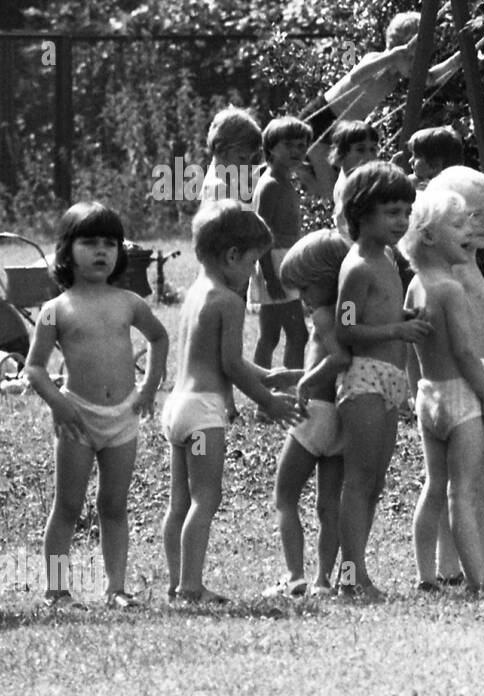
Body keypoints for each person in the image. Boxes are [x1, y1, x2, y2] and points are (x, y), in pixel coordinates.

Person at [25, 203, 169, 608]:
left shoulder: (129, 302)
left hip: (123, 416)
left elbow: (159, 338)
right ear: (67, 251)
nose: (101, 251)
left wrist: (148, 387)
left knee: (114, 505)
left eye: (110, 242)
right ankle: (56, 590)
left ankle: (116, 589)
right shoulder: (56, 310)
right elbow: (34, 369)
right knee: (68, 506)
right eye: (89, 242)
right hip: (77, 420)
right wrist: (59, 405)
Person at [162, 202, 301, 604]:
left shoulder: (194, 295)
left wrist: (270, 375)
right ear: (232, 256)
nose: (254, 272)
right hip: (204, 413)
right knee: (206, 498)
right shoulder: (229, 301)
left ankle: (176, 583)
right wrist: (268, 401)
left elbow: (226, 360)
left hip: (177, 408)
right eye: (254, 263)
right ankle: (191, 587)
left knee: (180, 502)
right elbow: (227, 366)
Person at [333, 162, 431, 599]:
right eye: (391, 211)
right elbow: (346, 329)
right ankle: (351, 577)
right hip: (365, 380)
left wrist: (400, 318)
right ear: (361, 211)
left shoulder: (388, 258)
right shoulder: (357, 267)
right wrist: (396, 330)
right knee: (358, 479)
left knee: (375, 482)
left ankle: (357, 573)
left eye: (406, 211)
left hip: (390, 380)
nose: (401, 221)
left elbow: (377, 315)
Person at [401, 188, 484, 592]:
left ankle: (425, 574)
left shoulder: (416, 285)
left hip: (428, 396)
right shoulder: (451, 289)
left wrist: (413, 392)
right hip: (460, 397)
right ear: (427, 236)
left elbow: (410, 344)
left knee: (432, 485)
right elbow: (463, 350)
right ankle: (478, 578)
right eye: (457, 225)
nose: (469, 231)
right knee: (463, 491)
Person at [263, 228, 352, 598]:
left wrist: (303, 383)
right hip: (339, 417)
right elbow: (335, 366)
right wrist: (294, 375)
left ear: (323, 280)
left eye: (304, 289)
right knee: (328, 504)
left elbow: (337, 359)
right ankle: (324, 579)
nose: (301, 300)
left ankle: (295, 574)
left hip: (313, 414)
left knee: (284, 496)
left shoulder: (323, 316)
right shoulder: (347, 316)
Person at [302, 12, 461, 199]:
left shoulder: (396, 75)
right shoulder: (375, 59)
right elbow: (356, 76)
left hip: (341, 132)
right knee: (329, 190)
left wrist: (455, 61)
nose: (416, 65)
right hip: (322, 119)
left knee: (336, 188)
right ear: (398, 50)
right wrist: (391, 57)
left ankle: (301, 170)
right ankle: (299, 169)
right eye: (411, 59)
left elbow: (431, 78)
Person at [251, 116, 311, 370]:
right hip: (274, 263)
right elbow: (261, 233)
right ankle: (285, 389)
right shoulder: (271, 185)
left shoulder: (286, 181)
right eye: (289, 145)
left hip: (284, 261)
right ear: (271, 149)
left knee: (271, 334)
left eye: (301, 145)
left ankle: (266, 390)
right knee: (298, 334)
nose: (297, 151)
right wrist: (270, 278)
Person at [199, 106, 261, 211]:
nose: (248, 166)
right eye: (242, 158)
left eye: (251, 159)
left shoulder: (227, 180)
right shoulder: (221, 190)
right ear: (221, 150)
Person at [328, 121, 382, 237]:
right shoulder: (351, 186)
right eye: (360, 150)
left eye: (372, 149)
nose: (368, 156)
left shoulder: (358, 179)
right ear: (341, 154)